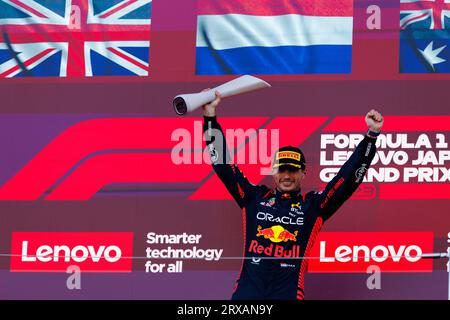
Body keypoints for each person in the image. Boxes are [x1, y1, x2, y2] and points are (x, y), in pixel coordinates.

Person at [202, 91, 384, 300]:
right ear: (273, 171)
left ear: (303, 172)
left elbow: (347, 179)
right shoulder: (254, 197)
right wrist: (210, 117)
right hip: (247, 296)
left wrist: (371, 137)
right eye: (281, 169)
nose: (286, 176)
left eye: (293, 170)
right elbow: (223, 165)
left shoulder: (314, 206)